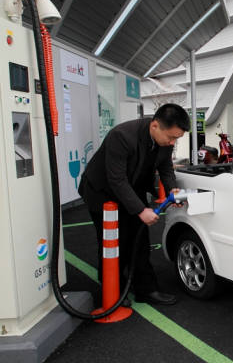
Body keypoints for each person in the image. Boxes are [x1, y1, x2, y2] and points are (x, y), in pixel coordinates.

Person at [78, 103, 190, 305]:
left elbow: (165, 168)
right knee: (113, 241)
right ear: (155, 125)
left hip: (131, 186)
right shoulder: (121, 136)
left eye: (177, 139)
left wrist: (172, 189)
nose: (172, 142)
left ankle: (146, 290)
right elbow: (116, 180)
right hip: (102, 192)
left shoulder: (164, 142)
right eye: (171, 137)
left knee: (139, 241)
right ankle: (113, 292)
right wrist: (140, 209)